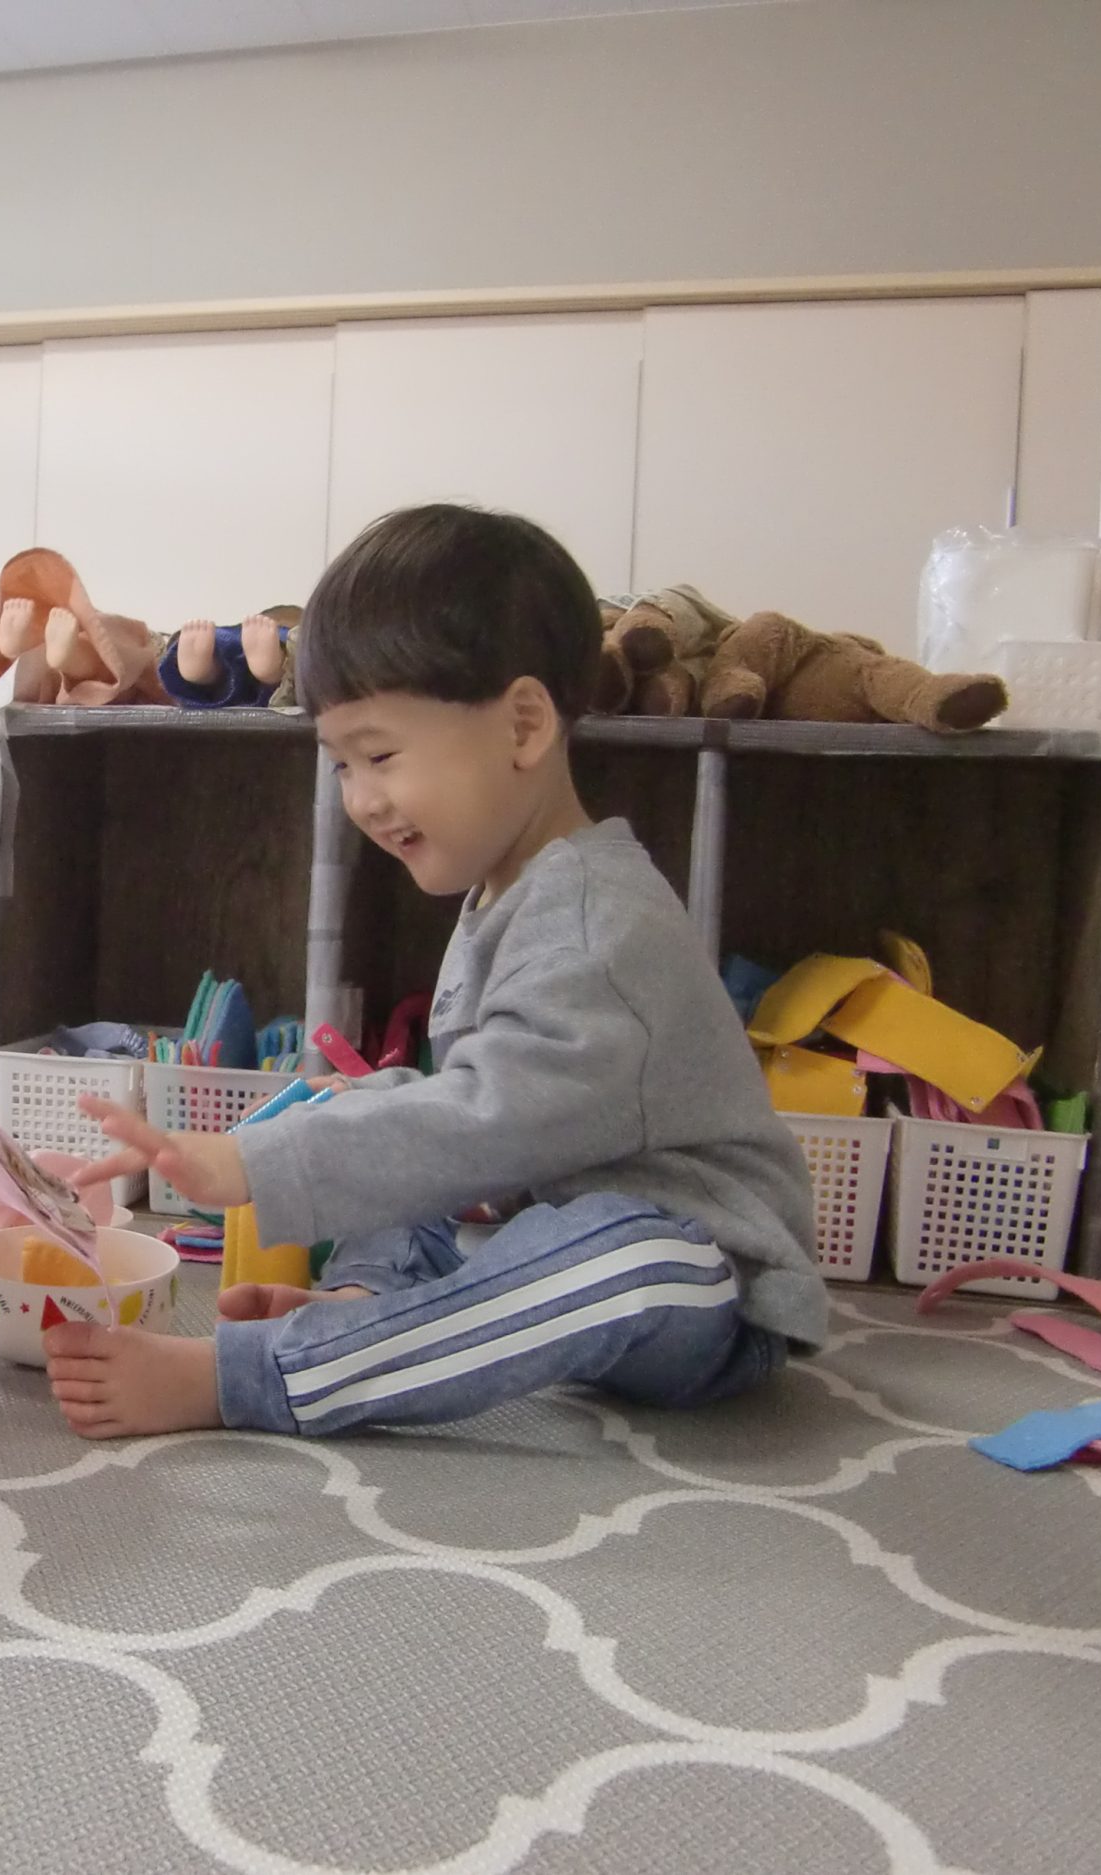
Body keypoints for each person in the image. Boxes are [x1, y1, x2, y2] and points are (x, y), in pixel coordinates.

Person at [51, 504, 828, 1439]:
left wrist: (252, 1161)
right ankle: (366, 1305)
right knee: (376, 1112)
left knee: (619, 1253)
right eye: (342, 765)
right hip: (541, 1210)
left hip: (700, 1290)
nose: (362, 799)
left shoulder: (595, 926)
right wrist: (324, 1122)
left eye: (380, 754)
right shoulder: (513, 885)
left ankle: (267, 1375)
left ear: (524, 725)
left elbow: (483, 1124)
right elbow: (469, 1114)